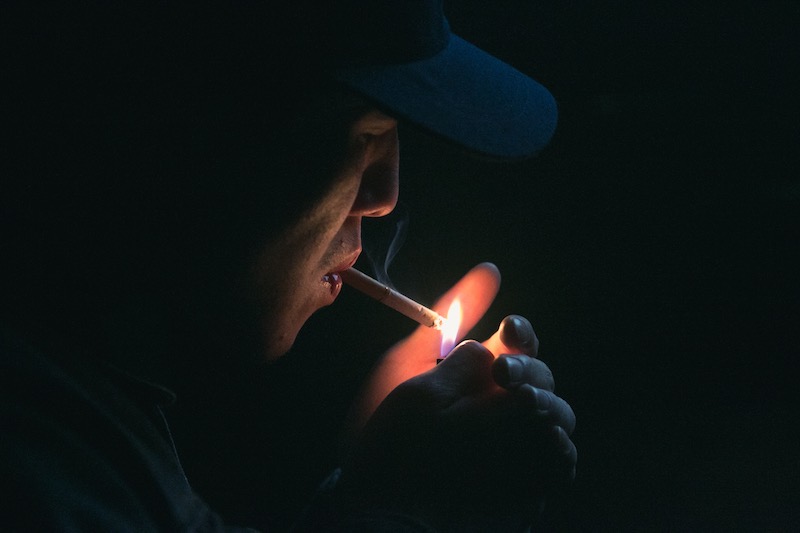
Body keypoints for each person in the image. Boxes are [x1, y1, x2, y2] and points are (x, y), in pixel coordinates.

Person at [2, 2, 576, 531]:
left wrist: (368, 490)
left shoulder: (95, 409)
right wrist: (399, 515)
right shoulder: (38, 467)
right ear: (199, 124)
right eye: (364, 131)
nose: (385, 194)